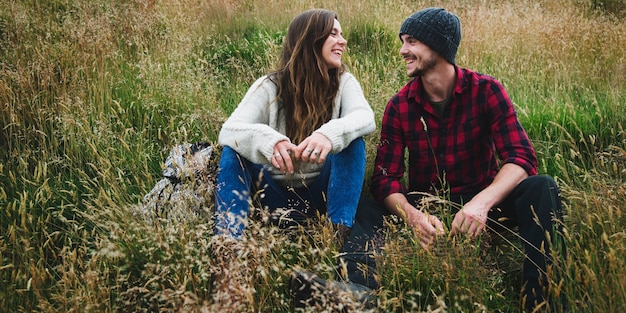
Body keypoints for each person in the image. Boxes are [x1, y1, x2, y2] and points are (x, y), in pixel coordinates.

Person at [369, 7, 566, 312]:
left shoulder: (486, 91)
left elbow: (521, 156)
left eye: (411, 42)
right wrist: (414, 217)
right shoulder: (400, 106)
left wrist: (481, 204)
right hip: (432, 213)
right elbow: (385, 179)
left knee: (543, 188)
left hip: (486, 203)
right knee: (368, 206)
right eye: (403, 41)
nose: (402, 50)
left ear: (438, 46)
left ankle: (543, 303)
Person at [212, 8, 378, 309]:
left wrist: (330, 134)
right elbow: (230, 129)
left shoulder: (343, 82)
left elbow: (365, 118)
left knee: (353, 142)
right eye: (334, 34)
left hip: (321, 197)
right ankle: (229, 249)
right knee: (232, 152)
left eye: (342, 34)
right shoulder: (271, 85)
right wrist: (267, 139)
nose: (343, 41)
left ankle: (335, 237)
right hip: (271, 195)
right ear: (310, 39)